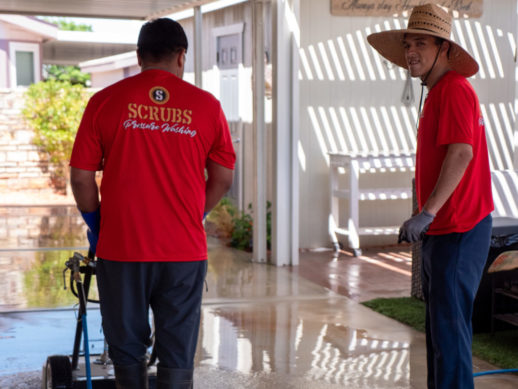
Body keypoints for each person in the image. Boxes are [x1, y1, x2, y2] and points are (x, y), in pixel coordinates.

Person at [70, 18, 235, 389]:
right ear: (182, 56)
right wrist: (195, 215)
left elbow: (82, 178)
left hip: (122, 247)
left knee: (127, 350)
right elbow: (222, 178)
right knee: (178, 352)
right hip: (184, 251)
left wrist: (98, 228)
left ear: (139, 56)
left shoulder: (104, 101)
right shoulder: (207, 106)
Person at [368, 4, 493, 389]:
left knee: (451, 332)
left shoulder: (455, 89)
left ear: (444, 48)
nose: (411, 52)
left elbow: (461, 152)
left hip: (459, 228)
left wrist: (426, 212)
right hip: (444, 229)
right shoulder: (437, 92)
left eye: (420, 43)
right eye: (408, 43)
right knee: (440, 330)